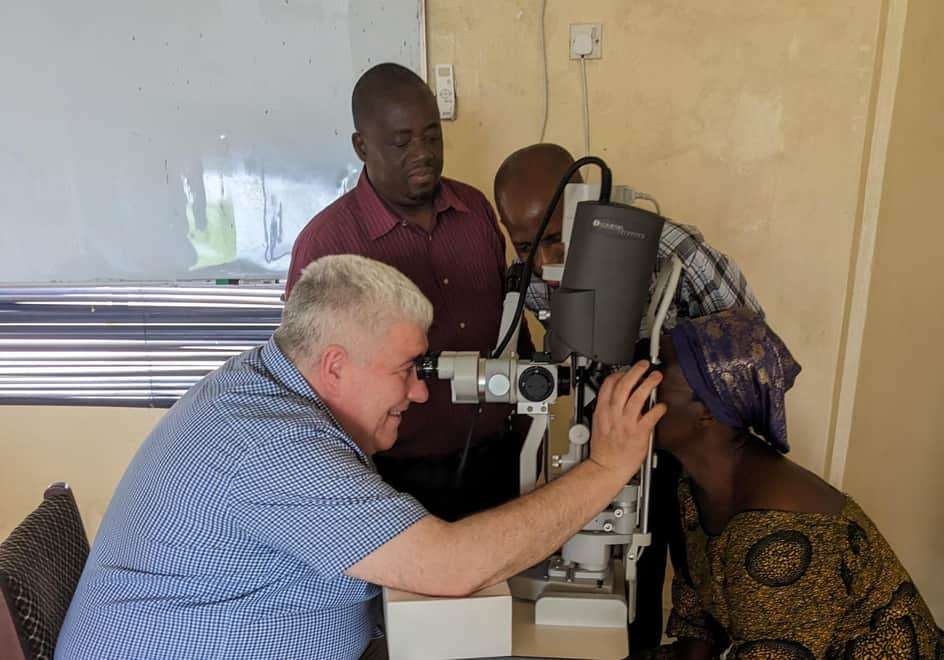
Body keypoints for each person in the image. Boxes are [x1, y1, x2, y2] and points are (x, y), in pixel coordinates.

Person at [56, 255, 665, 660]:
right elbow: (448, 567)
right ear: (336, 366)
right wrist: (607, 468)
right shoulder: (267, 444)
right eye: (406, 371)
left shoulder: (264, 383)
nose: (421, 391)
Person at [493, 142, 765, 649]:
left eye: (557, 239)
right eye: (529, 245)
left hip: (688, 436)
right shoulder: (528, 274)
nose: (548, 261)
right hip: (603, 427)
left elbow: (750, 354)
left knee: (686, 573)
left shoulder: (674, 252)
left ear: (590, 203)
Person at [285, 63, 530, 522]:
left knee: (498, 592)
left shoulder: (475, 210)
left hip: (497, 459)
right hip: (388, 477)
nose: (423, 153)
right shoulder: (328, 244)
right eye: (401, 142)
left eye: (432, 136)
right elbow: (309, 381)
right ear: (362, 146)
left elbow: (510, 322)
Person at [642, 307, 942, 658]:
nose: (641, 384)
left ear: (708, 409)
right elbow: (698, 626)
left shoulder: (780, 532)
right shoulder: (695, 486)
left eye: (659, 371)